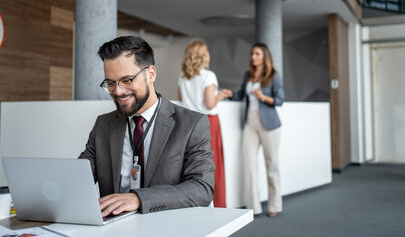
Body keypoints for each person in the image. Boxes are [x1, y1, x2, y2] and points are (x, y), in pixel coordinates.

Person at [79, 36, 215, 216]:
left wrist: (139, 198)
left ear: (151, 74)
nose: (118, 91)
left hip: (167, 233)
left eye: (127, 80)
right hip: (113, 233)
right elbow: (79, 177)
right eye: (111, 83)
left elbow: (201, 188)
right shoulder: (103, 125)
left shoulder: (192, 124)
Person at [229, 43, 285, 217]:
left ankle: (274, 205)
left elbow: (280, 99)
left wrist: (263, 97)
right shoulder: (249, 75)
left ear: (264, 57)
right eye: (252, 54)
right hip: (250, 123)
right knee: (250, 165)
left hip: (269, 124)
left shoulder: (274, 76)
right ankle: (254, 207)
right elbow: (241, 95)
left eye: (257, 54)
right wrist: (228, 94)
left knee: (271, 164)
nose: (253, 57)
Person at [177, 40, 232, 207]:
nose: (209, 54)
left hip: (188, 122)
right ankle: (219, 206)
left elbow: (181, 98)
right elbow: (209, 104)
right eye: (207, 51)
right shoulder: (208, 76)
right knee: (213, 165)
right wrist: (220, 95)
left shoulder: (182, 75)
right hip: (208, 122)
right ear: (202, 55)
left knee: (192, 166)